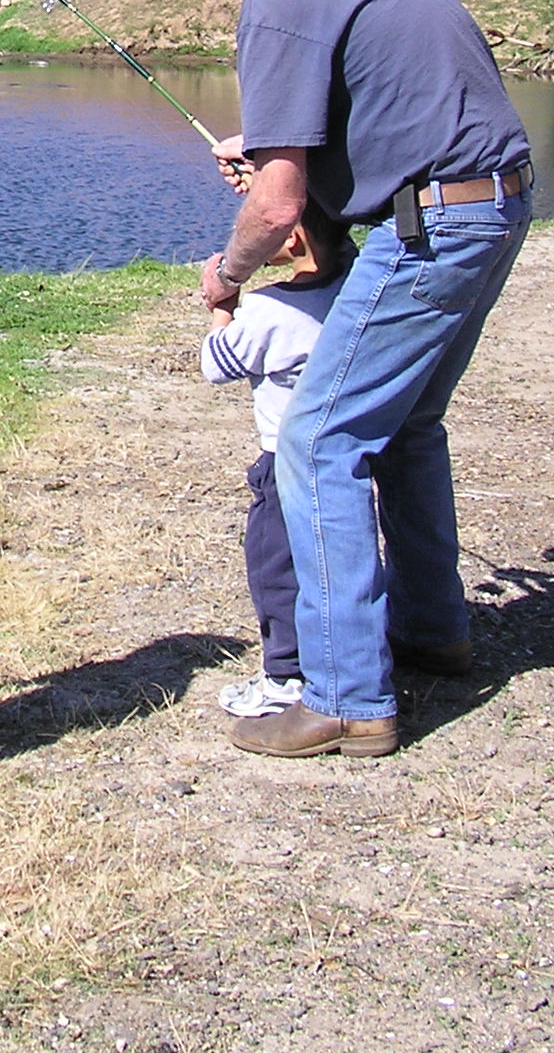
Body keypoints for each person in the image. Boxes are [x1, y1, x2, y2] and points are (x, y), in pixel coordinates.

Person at [135, 0, 534, 759]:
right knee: (408, 425)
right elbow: (380, 113)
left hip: (432, 224)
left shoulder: (277, 0)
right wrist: (268, 149)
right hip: (495, 201)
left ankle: (347, 698)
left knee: (318, 441)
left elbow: (278, 207)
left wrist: (227, 274)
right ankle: (432, 632)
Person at [198, 206, 351, 721]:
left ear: (294, 238)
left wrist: (224, 305)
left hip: (282, 461)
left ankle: (284, 674)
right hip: (343, 456)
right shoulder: (356, 290)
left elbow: (216, 364)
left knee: (274, 566)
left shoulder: (269, 310)